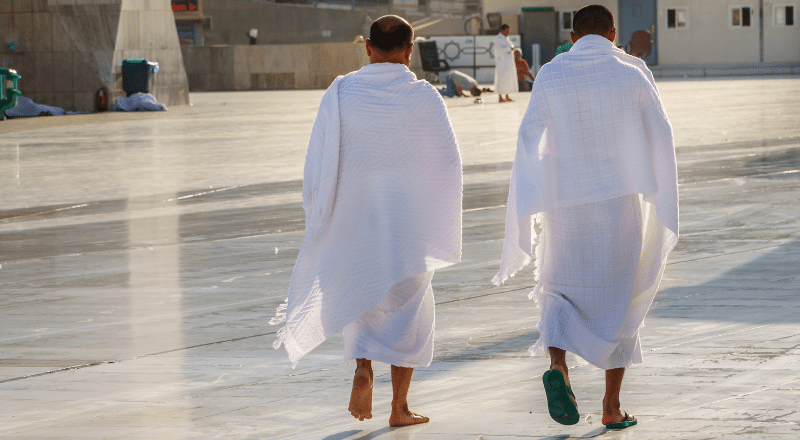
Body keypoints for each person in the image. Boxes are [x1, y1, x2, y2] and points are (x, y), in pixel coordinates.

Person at [271, 15, 462, 428]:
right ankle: (399, 407)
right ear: (409, 51)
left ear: (368, 48)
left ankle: (363, 366)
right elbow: (447, 163)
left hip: (355, 218)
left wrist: (320, 211)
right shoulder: (425, 97)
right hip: (406, 222)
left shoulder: (341, 91)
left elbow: (318, 158)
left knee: (361, 299)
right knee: (410, 310)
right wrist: (436, 219)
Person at [493, 5, 678, 431]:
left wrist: (537, 189)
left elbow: (529, 135)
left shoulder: (553, 73)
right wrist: (656, 187)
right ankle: (612, 407)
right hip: (618, 203)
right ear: (613, 33)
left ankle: (558, 367)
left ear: (572, 36)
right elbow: (660, 131)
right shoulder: (632, 73)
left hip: (565, 203)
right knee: (622, 298)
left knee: (558, 289)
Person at [493, 24, 517, 102]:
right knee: (501, 79)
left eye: (508, 31)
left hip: (509, 63)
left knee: (508, 79)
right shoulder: (498, 39)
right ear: (502, 30)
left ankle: (507, 95)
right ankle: (500, 96)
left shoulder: (507, 38)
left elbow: (511, 46)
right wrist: (510, 48)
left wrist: (511, 47)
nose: (507, 32)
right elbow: (500, 49)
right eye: (506, 31)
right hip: (502, 63)